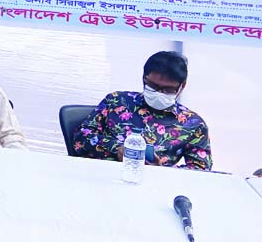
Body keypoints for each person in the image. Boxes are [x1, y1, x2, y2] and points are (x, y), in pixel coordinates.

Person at [72, 51, 212, 170]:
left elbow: (200, 168)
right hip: (102, 174)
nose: (159, 93)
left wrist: (161, 170)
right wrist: (116, 149)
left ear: (182, 86)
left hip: (157, 186)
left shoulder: (193, 124)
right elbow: (81, 137)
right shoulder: (116, 101)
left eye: (168, 89)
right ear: (144, 78)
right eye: (153, 86)